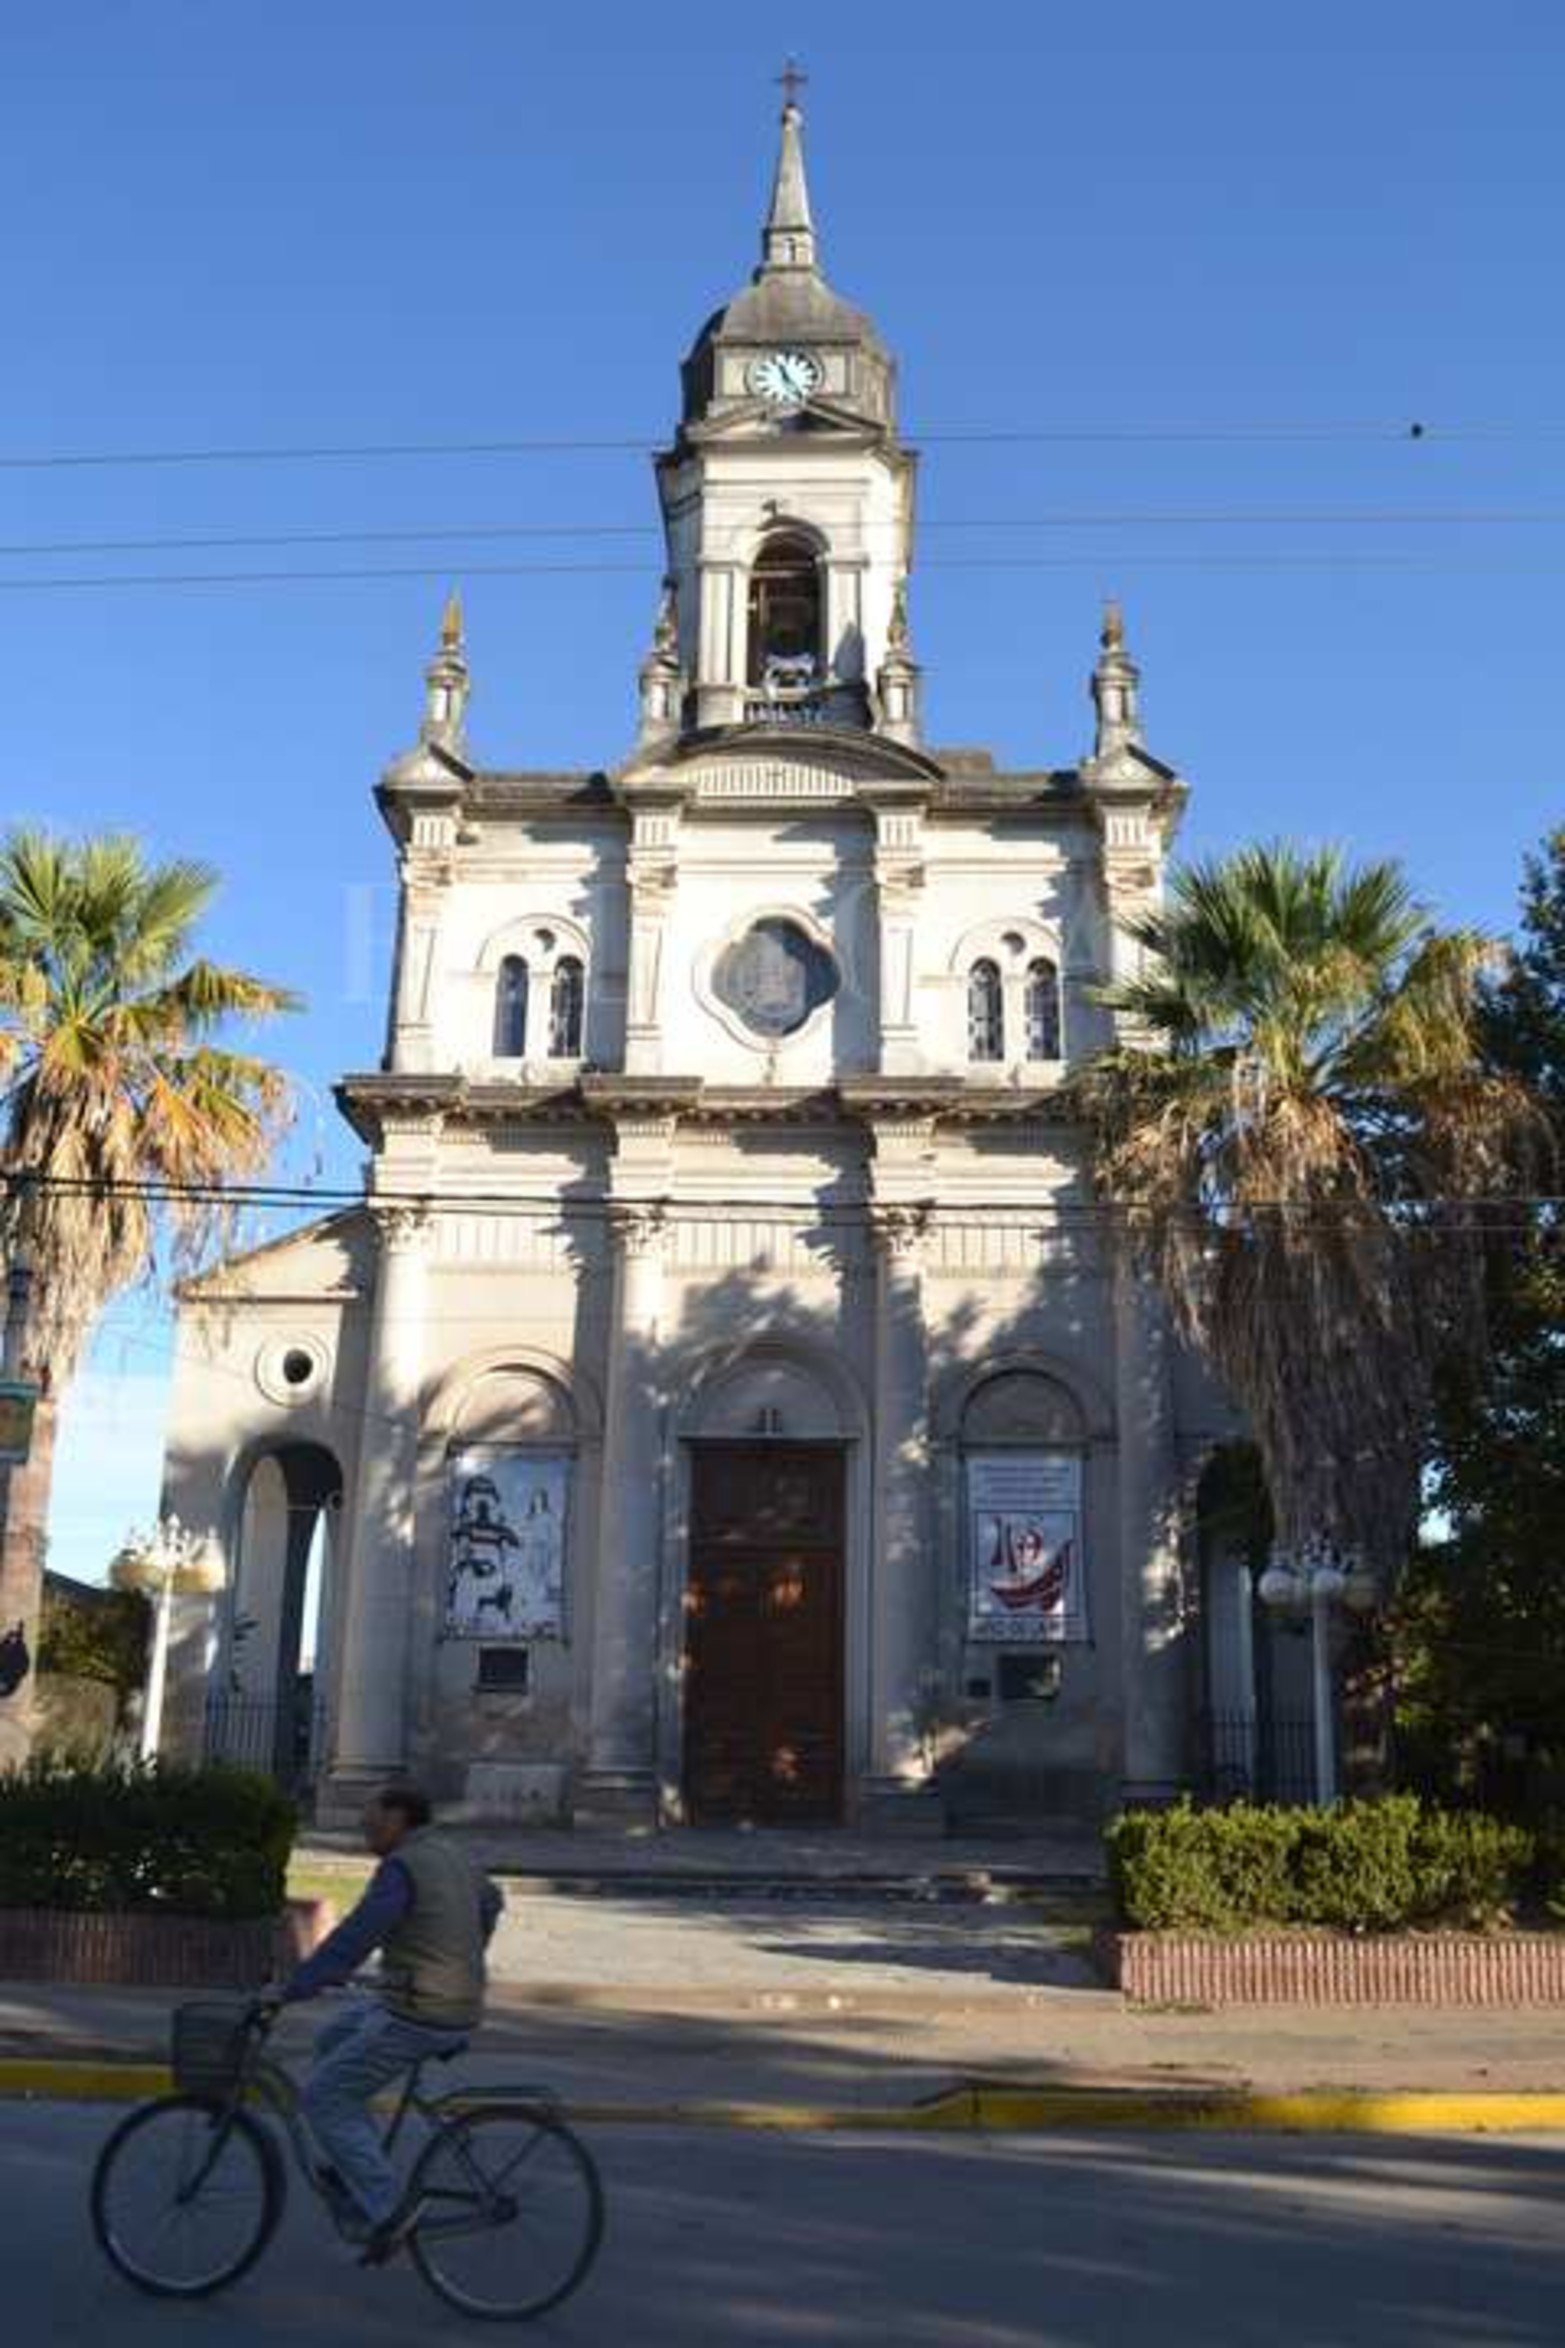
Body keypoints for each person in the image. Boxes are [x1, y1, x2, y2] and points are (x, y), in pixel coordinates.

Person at [272, 1782, 503, 2256]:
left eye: (372, 1821)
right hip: (439, 1999)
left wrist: (297, 1984)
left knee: (323, 2097)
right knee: (334, 2038)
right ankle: (358, 2163)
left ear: (399, 1819)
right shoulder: (451, 1853)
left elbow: (358, 1934)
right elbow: (492, 1901)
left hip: (421, 2009)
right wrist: (466, 1954)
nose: (365, 1830)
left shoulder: (403, 1867)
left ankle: (388, 2209)